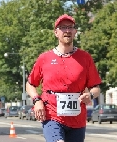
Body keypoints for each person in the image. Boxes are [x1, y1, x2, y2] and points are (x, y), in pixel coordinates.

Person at [26, 14, 101, 142]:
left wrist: (91, 95)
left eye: (70, 27)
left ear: (75, 31)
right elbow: (30, 84)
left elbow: (96, 87)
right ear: (56, 32)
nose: (67, 31)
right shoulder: (45, 58)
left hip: (77, 118)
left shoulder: (85, 58)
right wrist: (36, 100)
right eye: (63, 27)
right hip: (52, 114)